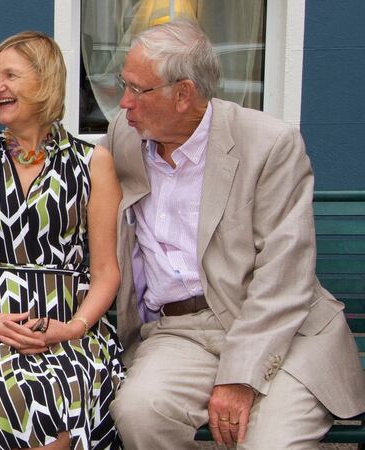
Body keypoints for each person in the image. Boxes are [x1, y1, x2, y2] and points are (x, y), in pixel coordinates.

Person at [105, 20, 365, 449]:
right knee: (140, 413)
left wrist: (240, 377)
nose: (124, 103)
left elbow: (285, 273)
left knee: (269, 444)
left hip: (280, 329)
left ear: (184, 94)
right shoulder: (126, 137)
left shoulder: (269, 143)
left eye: (137, 89)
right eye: (123, 85)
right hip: (179, 331)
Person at [0, 31, 125, 450]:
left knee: (57, 401)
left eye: (10, 76)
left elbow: (107, 270)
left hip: (67, 322)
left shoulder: (93, 163)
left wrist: (73, 329)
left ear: (46, 81)